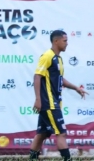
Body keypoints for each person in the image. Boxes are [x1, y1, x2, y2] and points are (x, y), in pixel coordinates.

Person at [29, 30, 88, 161]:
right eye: (65, 41)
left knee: (42, 133)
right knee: (61, 133)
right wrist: (38, 99)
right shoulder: (47, 56)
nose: (67, 43)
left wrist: (76, 88)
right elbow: (37, 76)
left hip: (52, 102)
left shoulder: (59, 59)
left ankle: (32, 158)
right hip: (48, 102)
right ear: (56, 41)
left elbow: (60, 79)